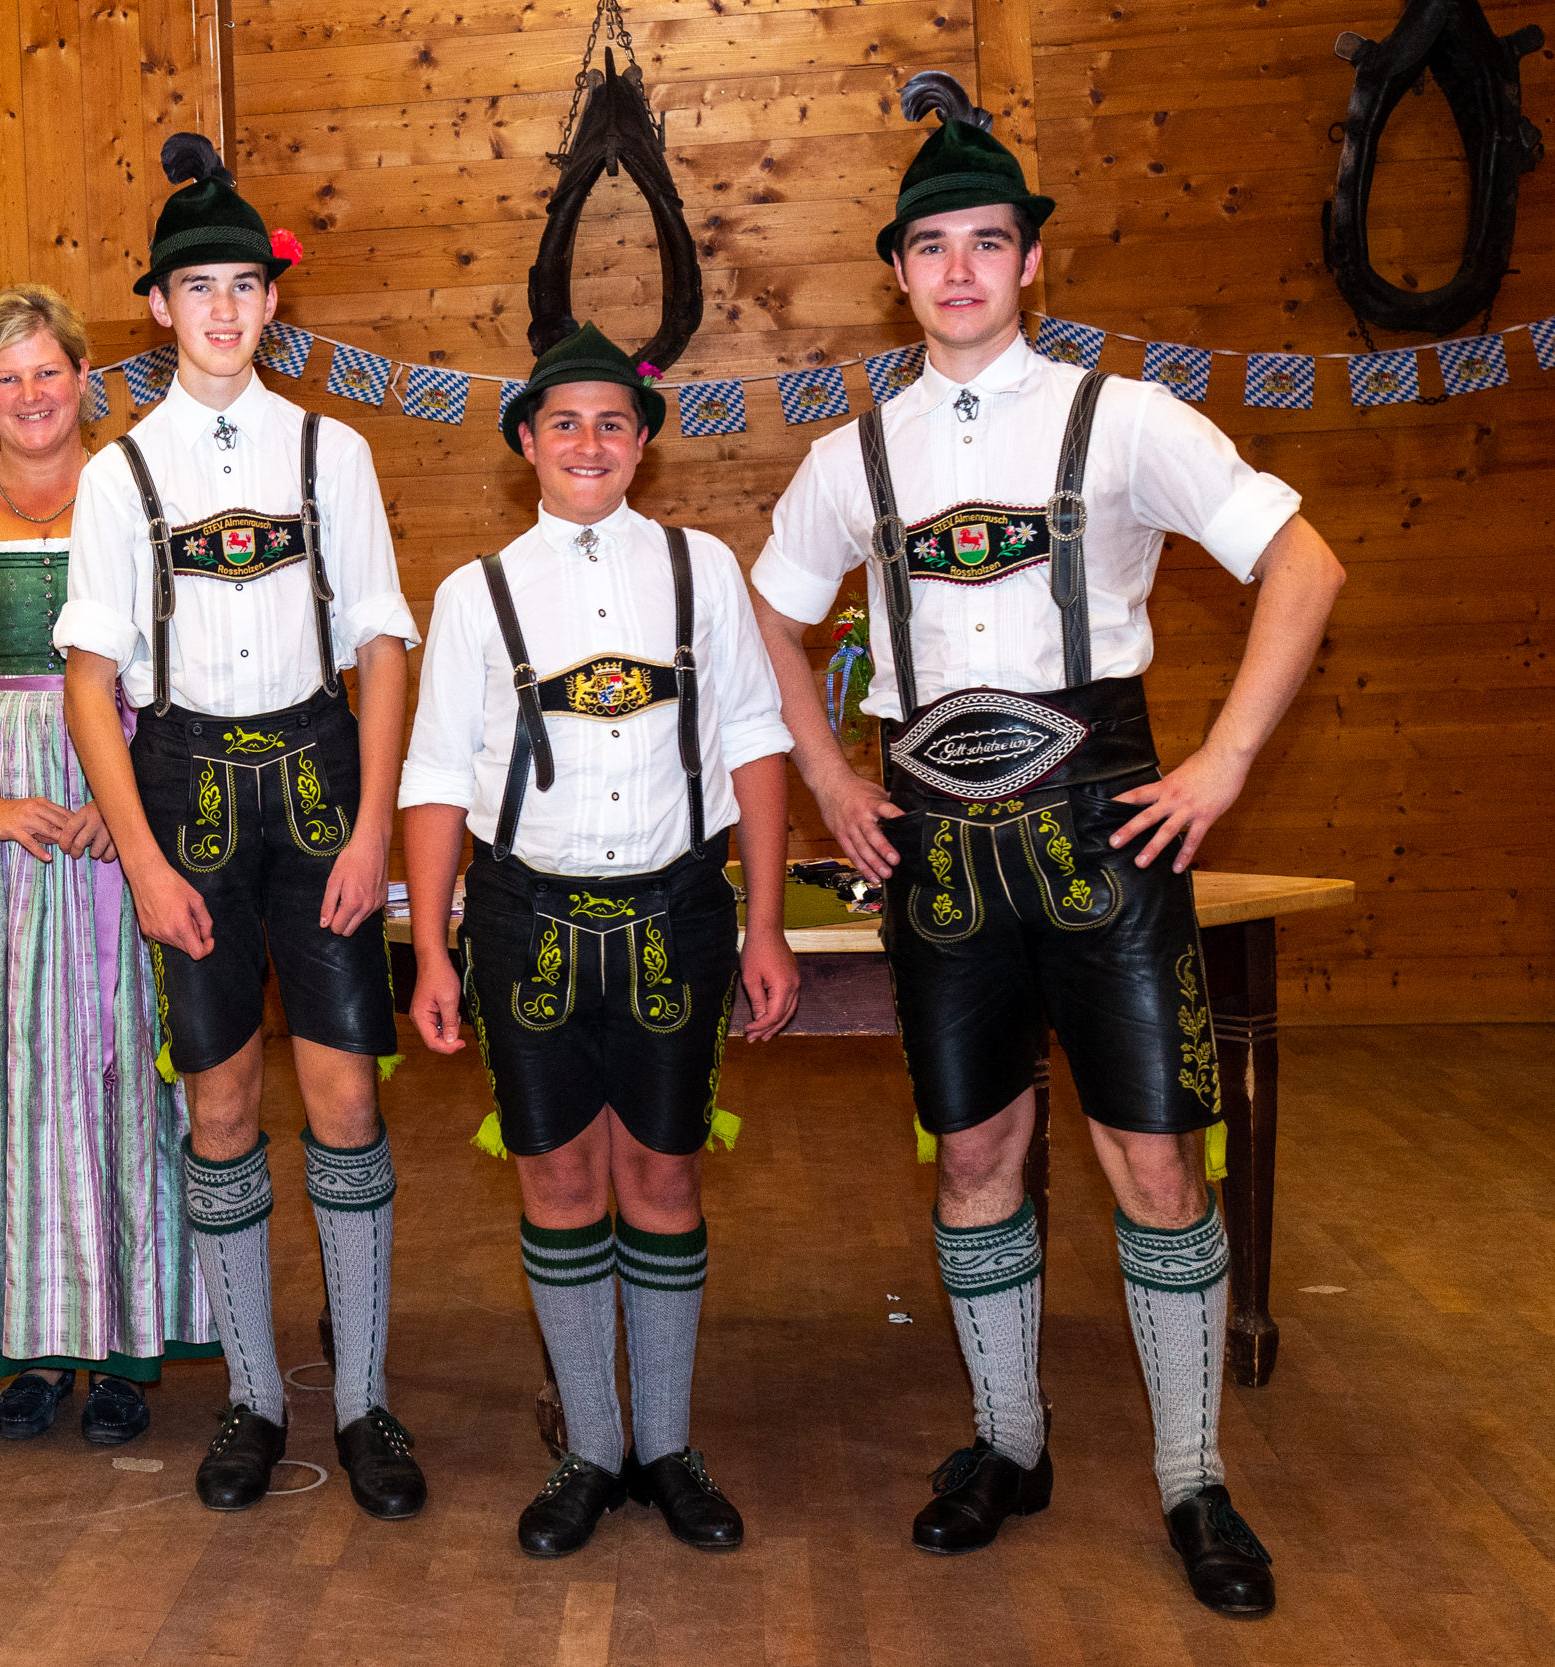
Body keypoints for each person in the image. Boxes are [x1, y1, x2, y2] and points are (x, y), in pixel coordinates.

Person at [747, 75, 1344, 1615]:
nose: (959, 269)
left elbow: (1304, 564)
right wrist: (830, 773)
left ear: (1029, 260)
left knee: (1155, 1155)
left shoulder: (1123, 418)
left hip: (1107, 827)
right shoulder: (853, 458)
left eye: (986, 241)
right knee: (977, 1153)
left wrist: (1224, 759)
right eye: (931, 244)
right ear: (899, 270)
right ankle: (1009, 1442)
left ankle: (1195, 1476)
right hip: (938, 848)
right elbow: (769, 614)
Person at [55, 134, 426, 1520]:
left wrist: (375, 827)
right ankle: (256, 1396)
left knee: (346, 1096)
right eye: (195, 287)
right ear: (158, 305)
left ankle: (366, 1395)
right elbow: (90, 681)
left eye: (243, 286)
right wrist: (145, 860)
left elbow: (381, 643)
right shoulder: (118, 473)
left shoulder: (334, 449)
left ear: (274, 300)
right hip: (186, 797)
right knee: (218, 1103)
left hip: (322, 784)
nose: (221, 309)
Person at [400, 324, 801, 1557]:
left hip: (677, 910)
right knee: (559, 1180)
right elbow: (434, 776)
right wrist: (432, 948)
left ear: (642, 443)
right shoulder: (473, 592)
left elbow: (755, 740)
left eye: (612, 422)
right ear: (525, 440)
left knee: (663, 1177)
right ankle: (588, 1444)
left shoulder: (701, 569)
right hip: (523, 917)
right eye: (564, 422)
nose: (588, 442)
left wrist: (767, 922)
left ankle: (665, 1445)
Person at [0, 284, 217, 1444]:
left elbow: (184, 656)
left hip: (121, 792)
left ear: (84, 380)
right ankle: (30, 1338)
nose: (30, 395)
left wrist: (127, 807)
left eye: (47, 371)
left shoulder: (136, 495)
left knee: (117, 1062)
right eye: (6, 377)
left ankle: (121, 1340)